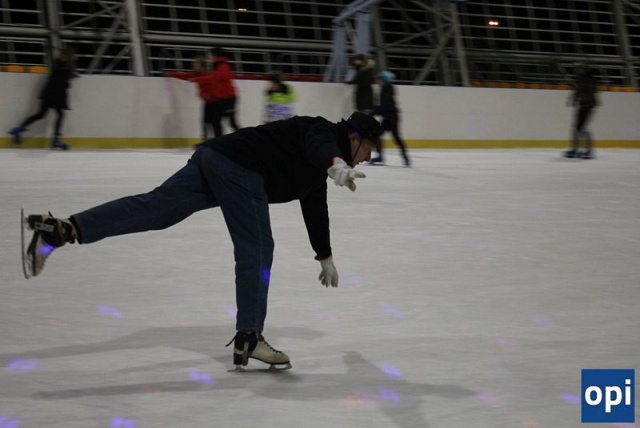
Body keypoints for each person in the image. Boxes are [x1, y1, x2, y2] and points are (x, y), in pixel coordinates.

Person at [22, 112, 382, 371]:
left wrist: (324, 255)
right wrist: (336, 163)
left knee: (158, 209)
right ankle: (249, 337)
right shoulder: (321, 131)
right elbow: (320, 146)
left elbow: (315, 207)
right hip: (240, 168)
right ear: (353, 137)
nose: (368, 156)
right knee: (257, 247)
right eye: (368, 147)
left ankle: (64, 229)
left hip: (216, 157)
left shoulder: (318, 170)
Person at [8, 47, 78, 150]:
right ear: (68, 56)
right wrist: (71, 73)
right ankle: (55, 140)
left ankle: (18, 129)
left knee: (41, 114)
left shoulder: (58, 64)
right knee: (59, 115)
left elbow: (63, 76)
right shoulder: (63, 66)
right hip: (55, 95)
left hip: (49, 93)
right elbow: (63, 80)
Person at [190, 48, 240, 137]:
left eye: (211, 55)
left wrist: (198, 79)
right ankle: (219, 140)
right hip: (221, 99)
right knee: (216, 121)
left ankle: (243, 138)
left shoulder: (223, 66)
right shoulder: (218, 66)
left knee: (231, 122)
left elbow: (215, 78)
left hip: (229, 99)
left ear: (215, 55)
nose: (210, 57)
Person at [165, 55, 217, 140]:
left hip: (215, 102)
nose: (194, 65)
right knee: (205, 122)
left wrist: (198, 81)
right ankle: (205, 140)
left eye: (196, 64)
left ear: (202, 64)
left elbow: (211, 80)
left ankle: (214, 139)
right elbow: (184, 76)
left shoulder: (209, 74)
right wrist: (172, 74)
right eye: (194, 64)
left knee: (213, 123)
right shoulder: (196, 74)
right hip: (207, 102)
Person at [372, 71, 411, 167]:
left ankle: (405, 157)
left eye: (380, 79)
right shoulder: (385, 89)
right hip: (389, 117)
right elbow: (383, 106)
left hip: (392, 118)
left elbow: (384, 106)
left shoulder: (387, 90)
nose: (378, 81)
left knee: (396, 138)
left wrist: (373, 112)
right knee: (377, 135)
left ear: (385, 80)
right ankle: (382, 156)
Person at [563, 62, 599, 159]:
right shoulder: (579, 79)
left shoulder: (590, 79)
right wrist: (573, 99)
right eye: (579, 69)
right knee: (576, 127)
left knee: (583, 127)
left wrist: (581, 96)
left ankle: (589, 150)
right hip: (582, 105)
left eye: (582, 69)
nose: (580, 70)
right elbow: (576, 91)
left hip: (589, 105)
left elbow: (591, 91)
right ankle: (575, 148)